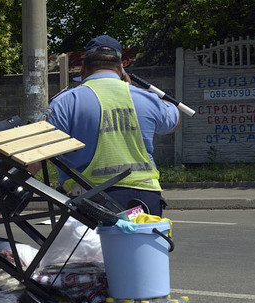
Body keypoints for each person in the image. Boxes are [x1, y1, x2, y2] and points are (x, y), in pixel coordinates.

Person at [45, 35, 181, 215]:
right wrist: (133, 88)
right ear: (121, 67)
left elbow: (39, 152)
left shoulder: (66, 102)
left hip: (91, 201)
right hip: (146, 201)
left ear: (83, 68)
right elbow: (173, 123)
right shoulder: (146, 98)